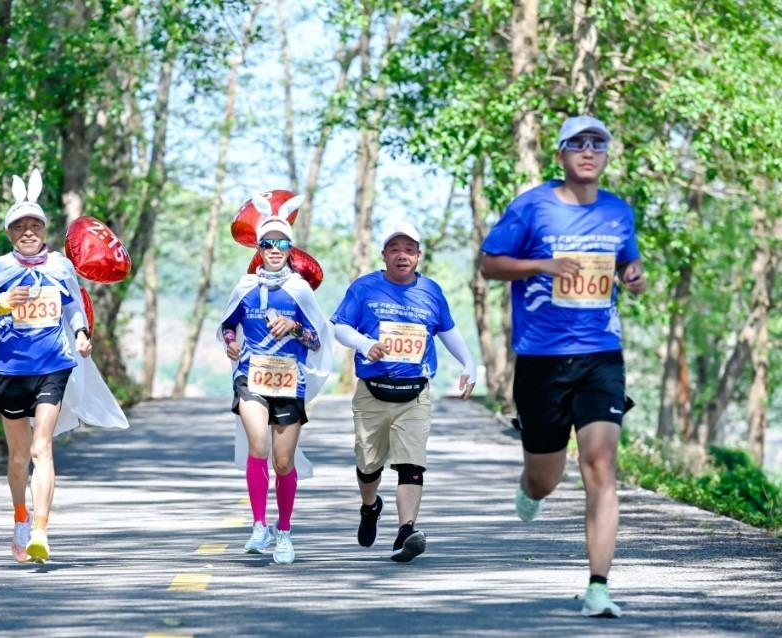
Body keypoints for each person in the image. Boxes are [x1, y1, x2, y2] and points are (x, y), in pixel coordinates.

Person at [480, 115, 646, 617]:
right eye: (577, 144)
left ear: (607, 154)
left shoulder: (618, 212)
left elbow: (626, 264)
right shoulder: (532, 207)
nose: (588, 151)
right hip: (541, 360)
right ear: (561, 156)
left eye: (598, 143)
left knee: (600, 465)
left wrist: (632, 275)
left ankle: (599, 586)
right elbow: (489, 264)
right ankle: (531, 488)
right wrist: (541, 265)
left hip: (601, 356)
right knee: (545, 479)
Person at [0, 169, 128, 564]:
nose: (28, 232)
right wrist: (2, 306)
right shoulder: (0, 269)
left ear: (44, 229)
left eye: (34, 225)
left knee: (43, 447)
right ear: (9, 233)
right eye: (19, 226)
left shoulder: (60, 267)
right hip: (10, 369)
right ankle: (20, 519)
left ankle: (41, 530)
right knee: (19, 456)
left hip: (53, 365)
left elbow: (73, 305)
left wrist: (80, 333)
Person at [331, 222, 477, 562]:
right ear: (384, 255)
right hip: (372, 391)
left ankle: (405, 531)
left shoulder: (431, 291)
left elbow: (448, 331)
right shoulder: (365, 287)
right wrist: (364, 343)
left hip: (415, 393)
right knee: (368, 467)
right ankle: (370, 507)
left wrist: (469, 362)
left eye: (409, 249)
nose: (402, 255)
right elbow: (339, 326)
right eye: (395, 248)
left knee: (411, 465)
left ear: (418, 255)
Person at [218, 212, 332, 565]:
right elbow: (228, 324)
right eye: (268, 243)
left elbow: (316, 340)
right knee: (258, 444)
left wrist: (294, 327)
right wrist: (231, 342)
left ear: (290, 248)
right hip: (251, 376)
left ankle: (283, 531)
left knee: (282, 462)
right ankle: (257, 524)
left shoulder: (299, 290)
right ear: (259, 248)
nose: (275, 249)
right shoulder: (245, 287)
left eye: (282, 243)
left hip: (288, 380)